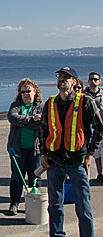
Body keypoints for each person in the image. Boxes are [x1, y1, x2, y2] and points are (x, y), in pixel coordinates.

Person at [40, 66, 103, 237]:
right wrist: (43, 154)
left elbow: (99, 128)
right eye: (59, 76)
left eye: (65, 77)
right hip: (54, 162)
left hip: (77, 162)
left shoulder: (85, 101)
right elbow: (43, 130)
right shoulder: (51, 103)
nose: (61, 79)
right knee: (54, 205)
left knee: (83, 207)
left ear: (74, 82)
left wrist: (90, 154)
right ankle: (57, 234)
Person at [6, 78, 44, 215]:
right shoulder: (16, 105)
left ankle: (33, 204)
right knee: (17, 177)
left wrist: (22, 122)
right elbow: (12, 118)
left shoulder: (40, 106)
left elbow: (41, 124)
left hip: (36, 149)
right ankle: (14, 203)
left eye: (28, 91)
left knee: (35, 178)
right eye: (23, 92)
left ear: (35, 92)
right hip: (17, 149)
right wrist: (32, 119)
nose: (26, 94)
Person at [83, 72, 103, 183]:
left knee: (101, 152)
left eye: (95, 79)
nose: (93, 81)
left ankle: (101, 174)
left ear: (99, 81)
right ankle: (91, 176)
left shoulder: (102, 95)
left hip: (100, 128)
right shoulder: (84, 95)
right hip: (89, 128)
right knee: (93, 154)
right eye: (91, 79)